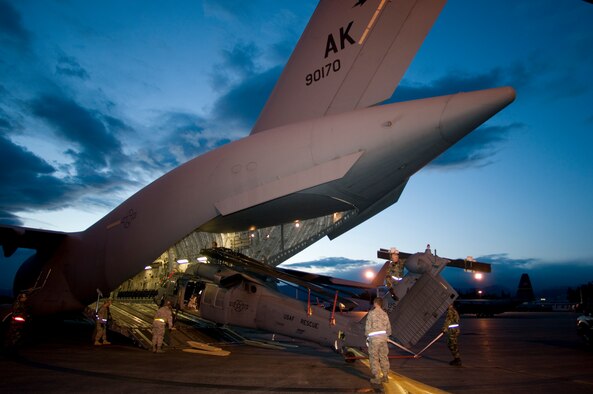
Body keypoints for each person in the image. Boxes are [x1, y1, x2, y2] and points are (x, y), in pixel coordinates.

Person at [365, 297, 392, 385]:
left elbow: (367, 327)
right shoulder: (385, 314)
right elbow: (388, 329)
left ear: (375, 303)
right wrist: (386, 336)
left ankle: (377, 377)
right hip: (383, 340)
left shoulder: (371, 313)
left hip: (374, 340)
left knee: (374, 358)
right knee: (384, 357)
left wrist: (367, 335)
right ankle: (385, 376)